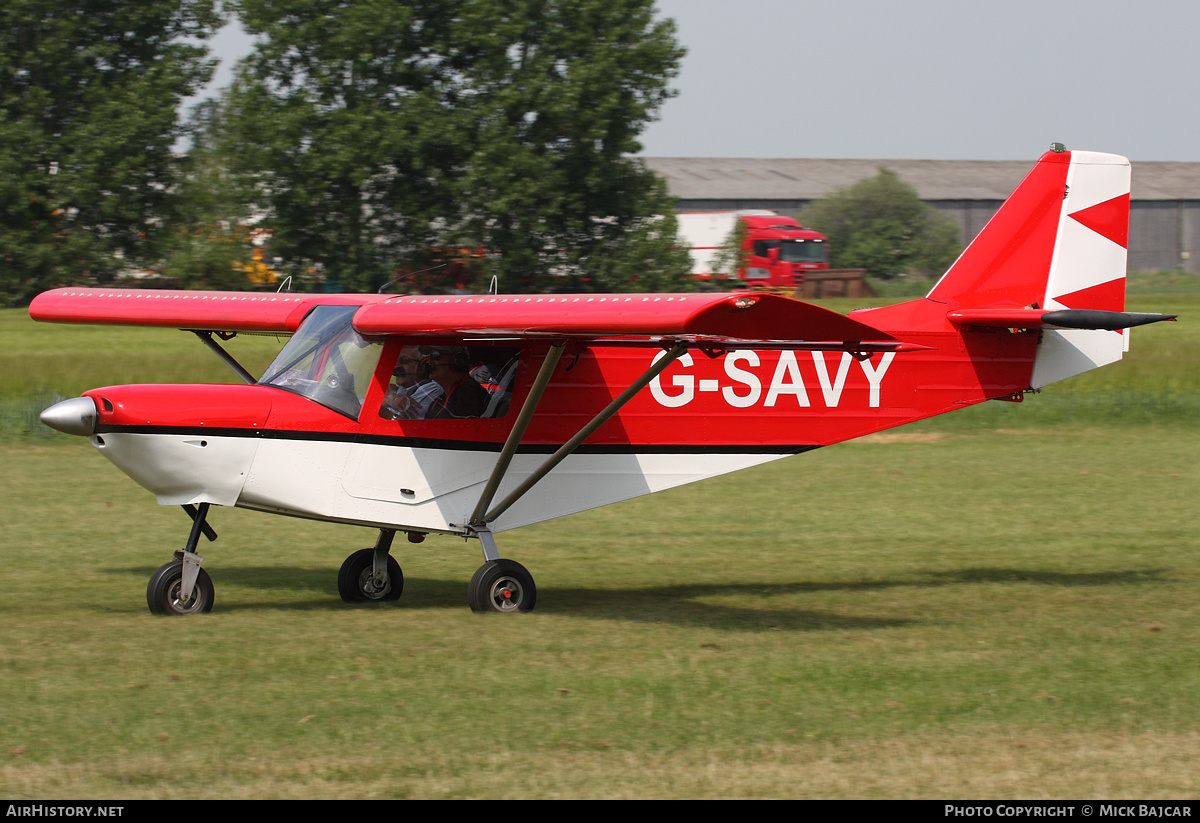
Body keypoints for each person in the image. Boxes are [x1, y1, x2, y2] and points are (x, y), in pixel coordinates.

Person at [420, 346, 490, 419]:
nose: (429, 362)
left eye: (435, 355)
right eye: (428, 357)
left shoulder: (469, 395)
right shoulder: (439, 401)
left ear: (457, 360)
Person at [380, 345, 443, 420]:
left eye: (404, 361)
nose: (396, 367)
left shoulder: (434, 388)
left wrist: (386, 400)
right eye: (395, 362)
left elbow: (399, 420)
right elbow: (362, 406)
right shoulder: (397, 390)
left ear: (422, 366)